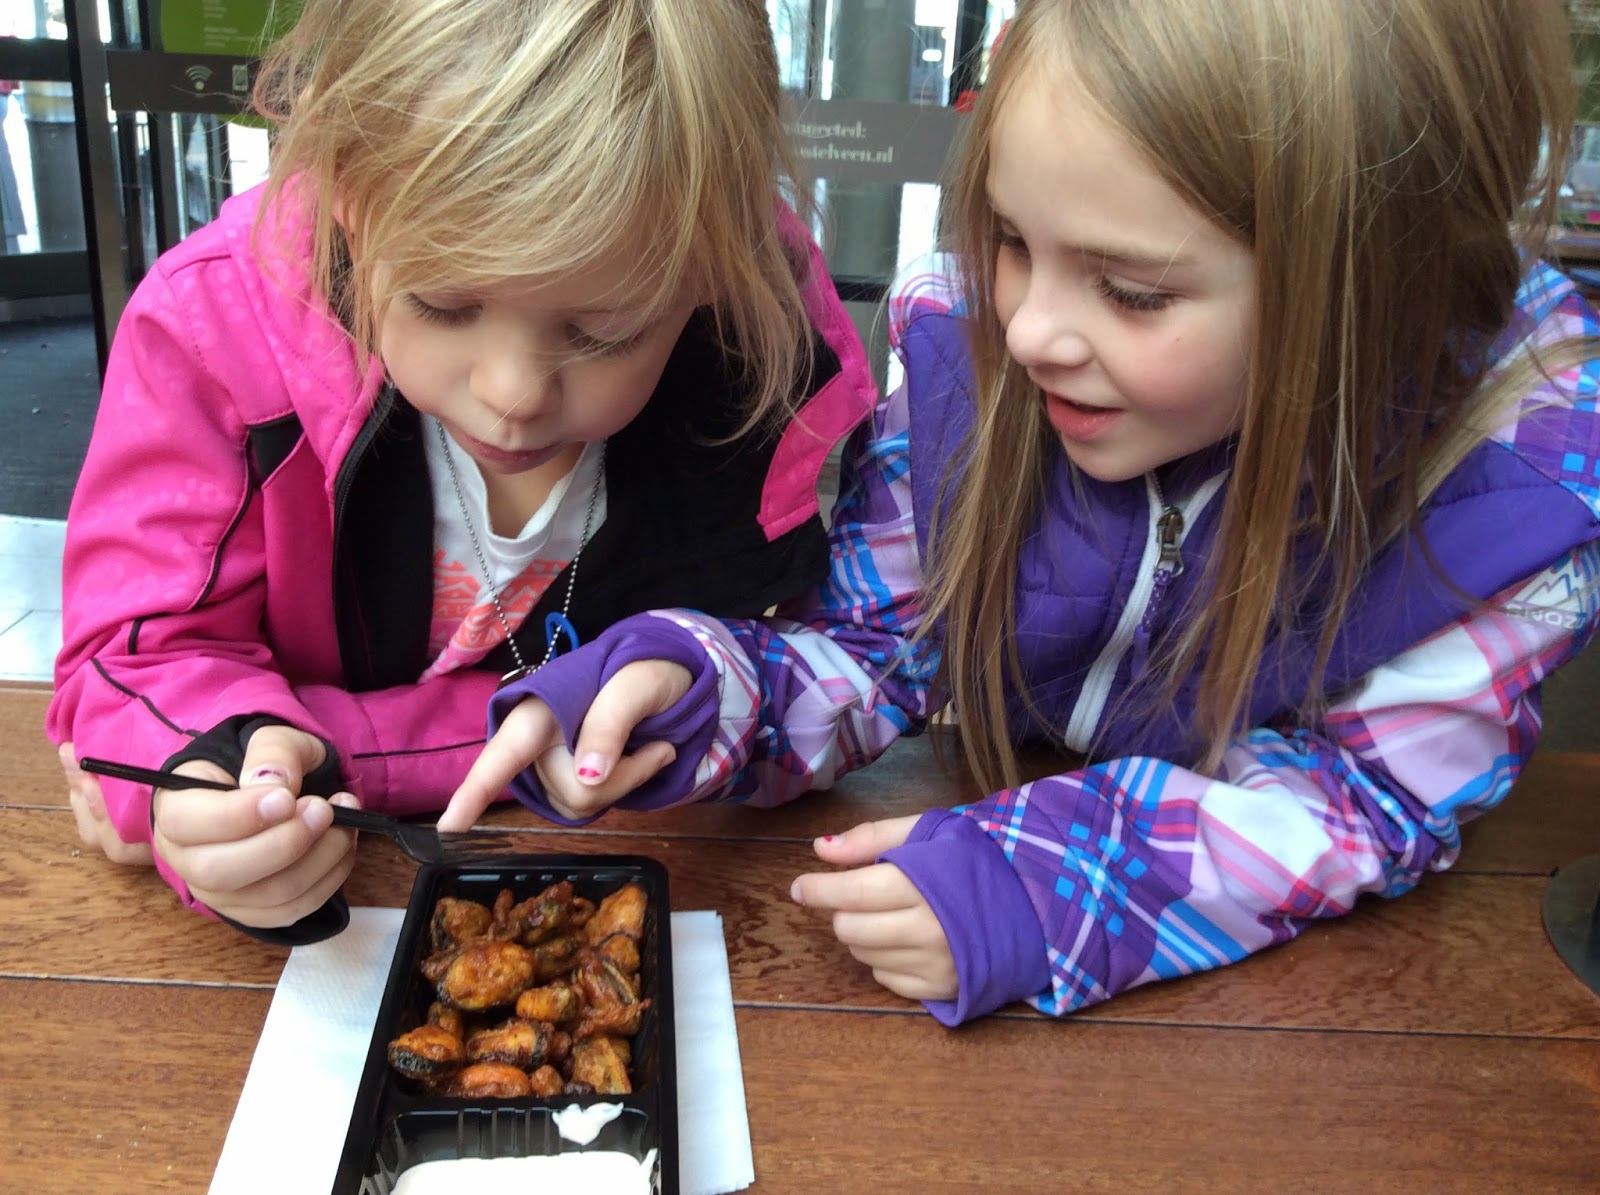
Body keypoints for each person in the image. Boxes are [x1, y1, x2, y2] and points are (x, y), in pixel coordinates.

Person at [440, 0, 1600, 1024]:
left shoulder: (1511, 492)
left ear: (1378, 285)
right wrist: (691, 688)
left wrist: (1054, 883)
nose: (1030, 329)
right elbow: (870, 653)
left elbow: (1370, 798)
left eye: (1131, 290)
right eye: (1006, 240)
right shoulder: (965, 355)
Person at [47, 0, 875, 944]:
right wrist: (194, 783)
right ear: (348, 196)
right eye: (443, 303)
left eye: (606, 331)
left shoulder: (760, 383)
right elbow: (136, 661)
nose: (512, 393)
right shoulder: (213, 337)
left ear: (710, 270)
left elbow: (811, 677)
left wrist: (343, 748)